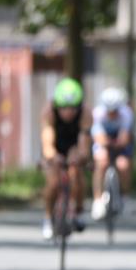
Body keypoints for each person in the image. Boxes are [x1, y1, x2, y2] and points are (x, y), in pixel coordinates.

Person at [40, 78, 92, 240]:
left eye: (72, 108)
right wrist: (52, 155)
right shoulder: (49, 112)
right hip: (56, 145)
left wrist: (81, 156)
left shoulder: (85, 113)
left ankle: (78, 210)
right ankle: (48, 218)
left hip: (74, 145)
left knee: (77, 174)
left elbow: (84, 142)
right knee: (53, 183)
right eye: (64, 108)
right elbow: (47, 141)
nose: (68, 112)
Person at [91, 87, 135, 220]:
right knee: (101, 160)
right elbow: (98, 137)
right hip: (103, 140)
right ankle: (98, 200)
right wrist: (106, 144)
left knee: (123, 165)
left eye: (114, 111)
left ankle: (125, 197)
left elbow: (124, 138)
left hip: (119, 141)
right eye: (109, 111)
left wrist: (119, 144)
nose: (112, 114)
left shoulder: (127, 114)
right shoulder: (97, 114)